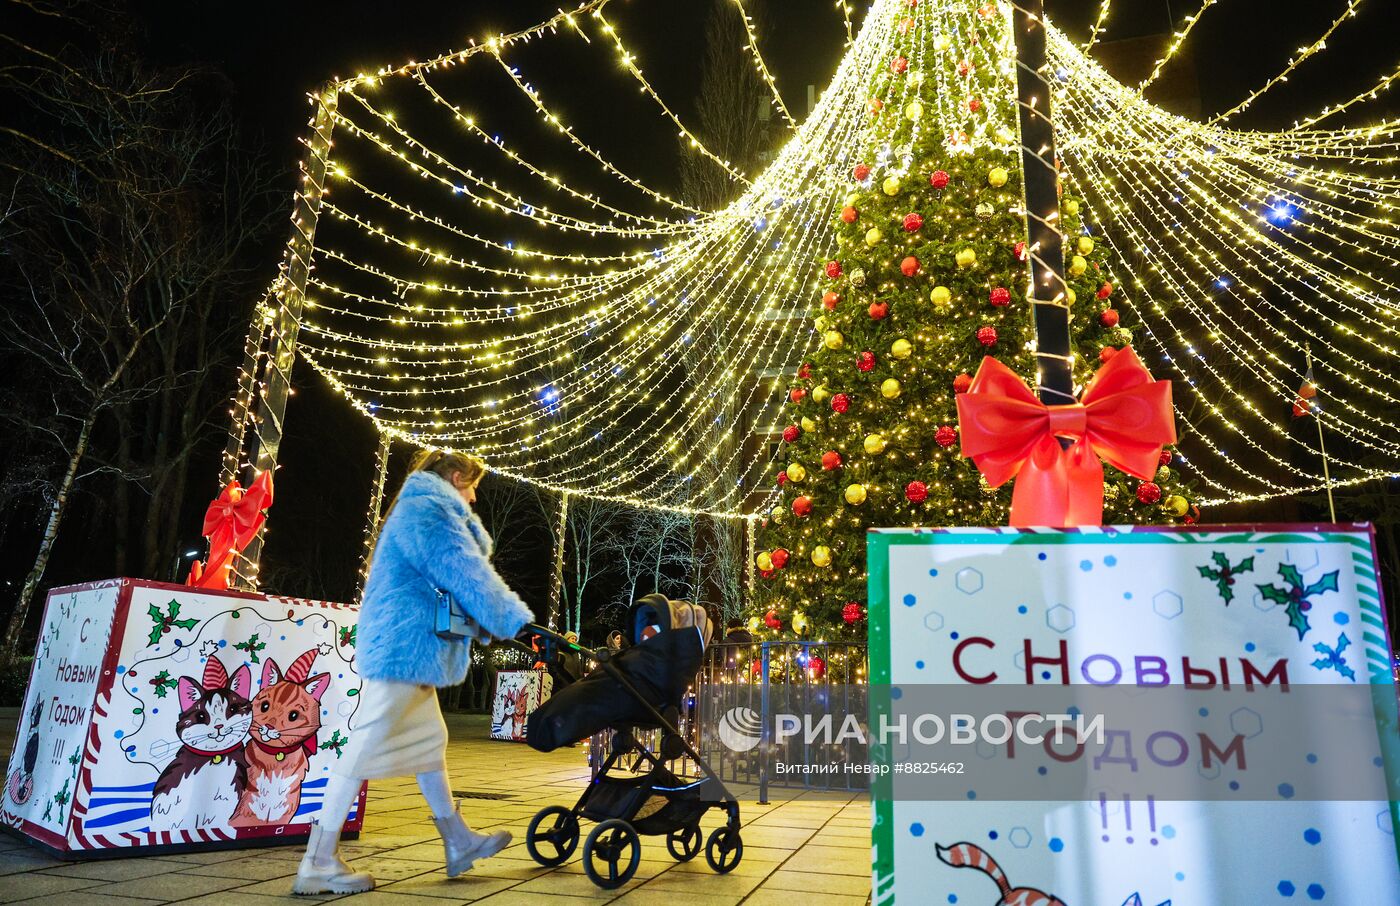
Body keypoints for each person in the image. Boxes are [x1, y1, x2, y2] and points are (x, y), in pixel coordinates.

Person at [294, 450, 534, 895]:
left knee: (429, 742)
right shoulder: (428, 508)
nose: (476, 496)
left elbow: (453, 575)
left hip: (413, 643)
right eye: (473, 485)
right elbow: (462, 570)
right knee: (366, 741)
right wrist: (511, 619)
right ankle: (318, 860)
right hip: (405, 644)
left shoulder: (424, 508)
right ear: (457, 477)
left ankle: (458, 840)